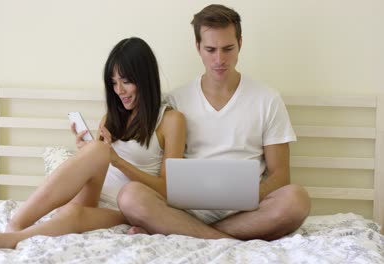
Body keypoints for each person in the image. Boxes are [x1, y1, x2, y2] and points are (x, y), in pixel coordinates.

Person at [0, 37, 186, 249]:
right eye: (114, 83)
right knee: (96, 151)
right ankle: (13, 225)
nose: (119, 91)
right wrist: (87, 151)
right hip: (95, 195)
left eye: (126, 81)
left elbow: (168, 190)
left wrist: (117, 161)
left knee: (71, 212)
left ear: (144, 78)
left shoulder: (171, 120)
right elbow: (100, 162)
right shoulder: (112, 117)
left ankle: (12, 239)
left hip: (128, 207)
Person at [117, 4, 311, 241]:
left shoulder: (267, 99)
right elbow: (149, 157)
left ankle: (195, 235)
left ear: (241, 43)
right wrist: (99, 145)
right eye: (210, 49)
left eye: (228, 48)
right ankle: (208, 233)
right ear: (198, 47)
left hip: (246, 212)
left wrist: (248, 195)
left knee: (297, 199)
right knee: (130, 196)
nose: (219, 59)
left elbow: (281, 175)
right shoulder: (176, 100)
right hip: (183, 209)